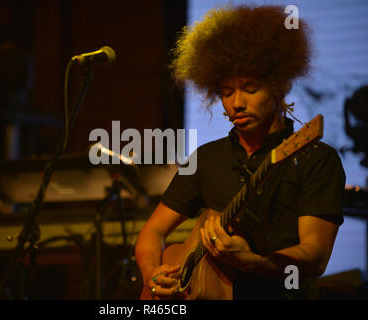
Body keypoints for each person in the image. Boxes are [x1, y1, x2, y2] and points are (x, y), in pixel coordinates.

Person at [135, 4, 345, 300]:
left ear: (279, 87)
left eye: (249, 87)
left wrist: (253, 262)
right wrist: (152, 275)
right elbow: (153, 231)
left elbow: (315, 256)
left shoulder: (315, 159)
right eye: (226, 91)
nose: (237, 103)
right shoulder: (207, 159)